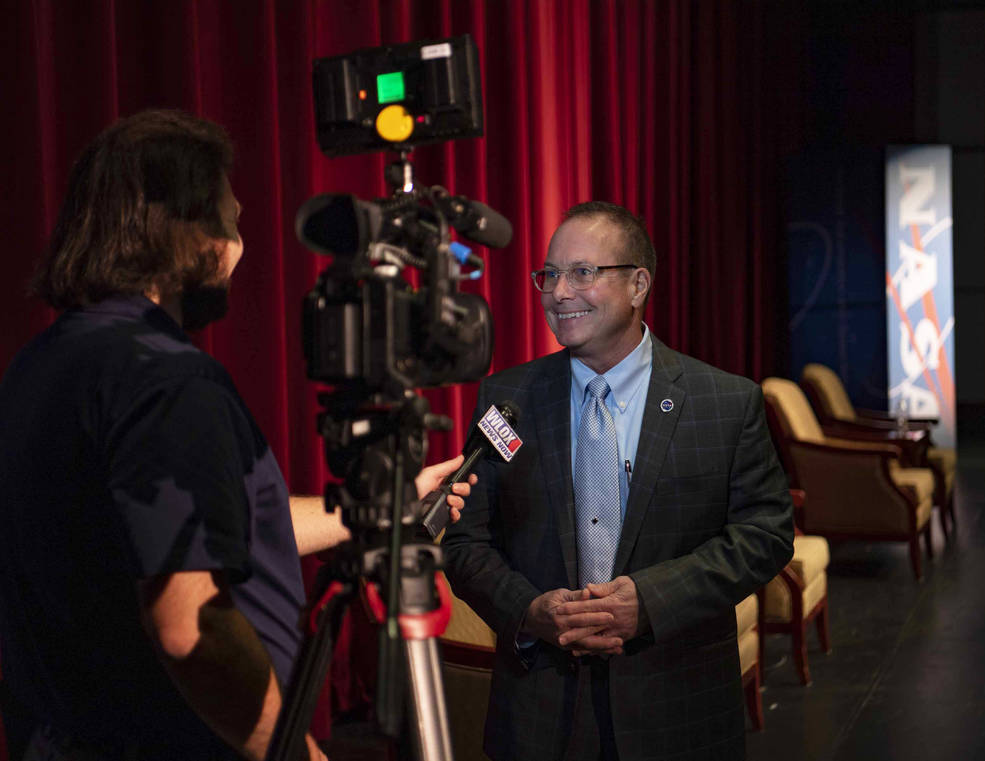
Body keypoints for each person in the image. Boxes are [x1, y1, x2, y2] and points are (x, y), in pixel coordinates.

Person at [0, 109, 473, 761]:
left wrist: (393, 500)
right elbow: (191, 627)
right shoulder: (167, 380)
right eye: (232, 223)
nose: (241, 246)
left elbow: (190, 525)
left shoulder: (41, 363)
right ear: (190, 237)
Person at [442, 201, 795, 761]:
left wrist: (651, 601)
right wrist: (531, 610)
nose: (559, 293)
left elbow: (765, 534)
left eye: (583, 273)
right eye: (549, 275)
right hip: (541, 711)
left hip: (679, 707)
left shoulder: (725, 402)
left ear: (638, 285)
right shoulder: (506, 400)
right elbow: (466, 542)